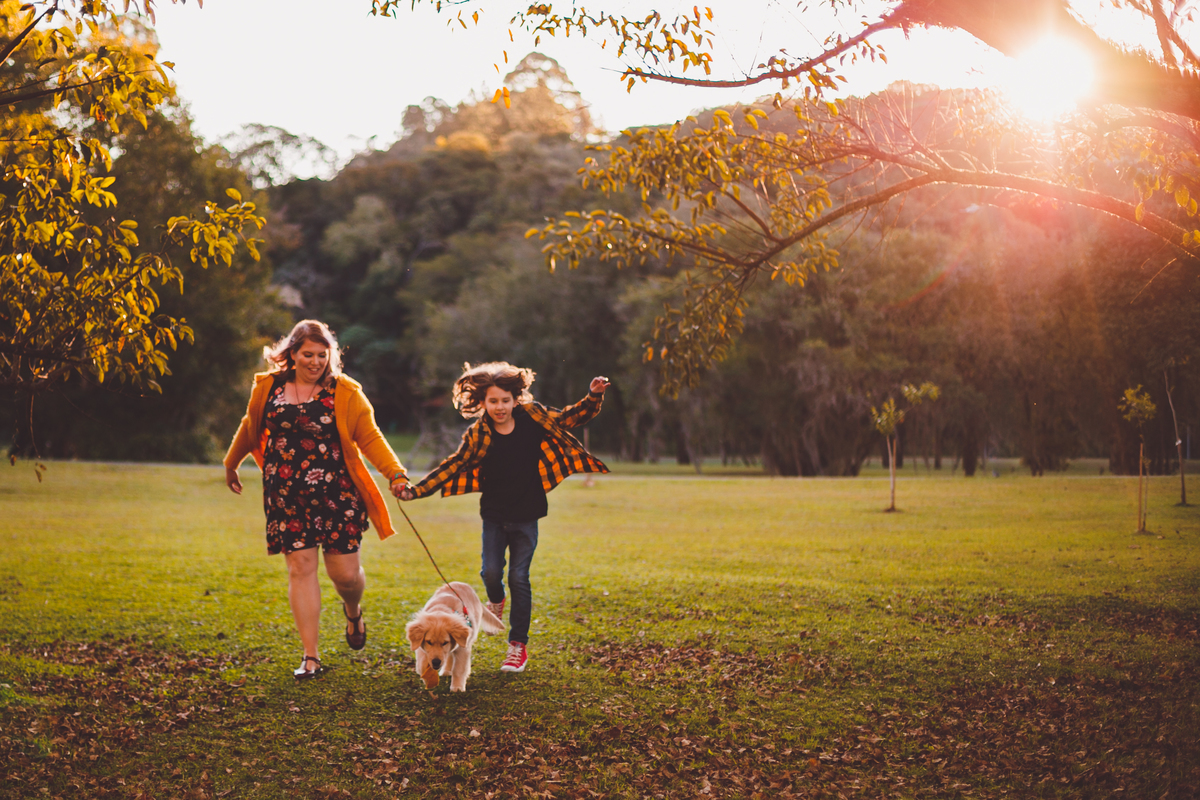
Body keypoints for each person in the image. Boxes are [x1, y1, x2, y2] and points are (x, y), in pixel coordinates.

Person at [224, 320, 408, 679]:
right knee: (300, 568)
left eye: (322, 355)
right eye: (308, 354)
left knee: (345, 575)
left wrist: (396, 473)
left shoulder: (346, 392)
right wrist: (231, 464)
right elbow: (250, 427)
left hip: (336, 494)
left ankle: (353, 611)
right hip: (286, 494)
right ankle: (311, 657)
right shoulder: (268, 387)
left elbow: (369, 437)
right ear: (291, 354)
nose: (315, 361)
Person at [400, 362, 609, 673]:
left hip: (527, 515)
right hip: (495, 515)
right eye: (493, 401)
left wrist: (592, 396)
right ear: (482, 403)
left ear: (517, 399)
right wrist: (416, 491)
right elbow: (454, 465)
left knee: (519, 578)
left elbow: (569, 418)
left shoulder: (533, 417)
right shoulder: (479, 433)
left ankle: (517, 647)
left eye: (506, 400)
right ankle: (495, 600)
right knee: (490, 573)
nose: (500, 407)